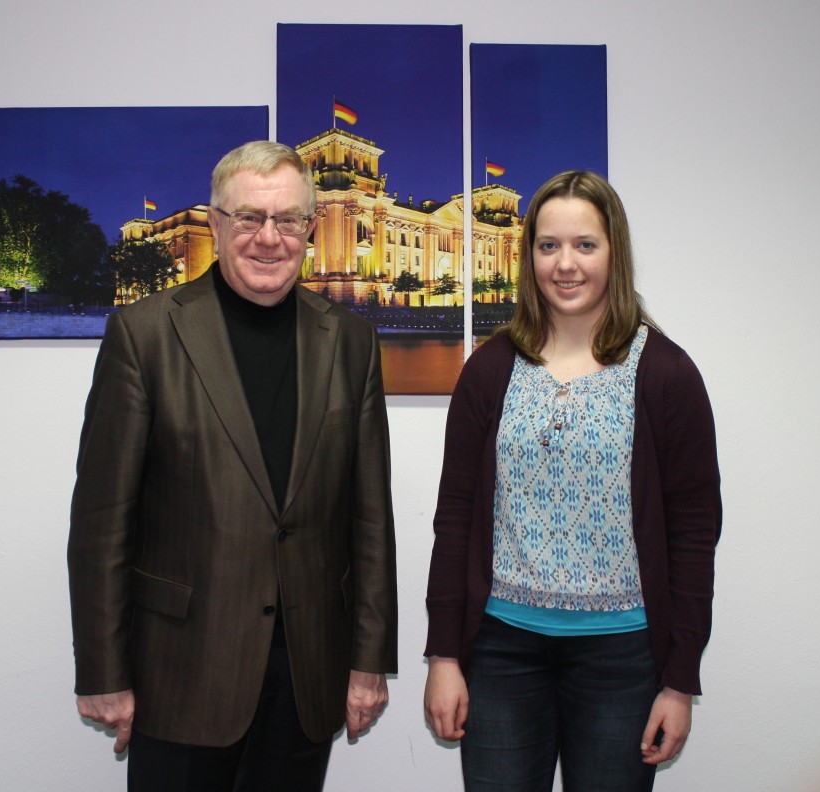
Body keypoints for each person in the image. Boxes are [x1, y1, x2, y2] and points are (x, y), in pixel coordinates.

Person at [68, 140, 398, 792]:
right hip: (181, 670)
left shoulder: (351, 341)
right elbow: (104, 521)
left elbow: (369, 516)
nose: (267, 238)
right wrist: (103, 670)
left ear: (309, 229)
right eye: (249, 218)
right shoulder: (144, 335)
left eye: (286, 221)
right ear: (216, 225)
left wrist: (368, 661)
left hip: (307, 672)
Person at [423, 171, 721, 791]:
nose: (566, 264)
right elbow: (454, 517)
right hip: (501, 653)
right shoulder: (489, 369)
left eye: (585, 245)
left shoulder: (665, 374)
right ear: (528, 254)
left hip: (624, 659)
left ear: (615, 252)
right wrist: (445, 656)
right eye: (548, 245)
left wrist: (680, 678)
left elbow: (695, 534)